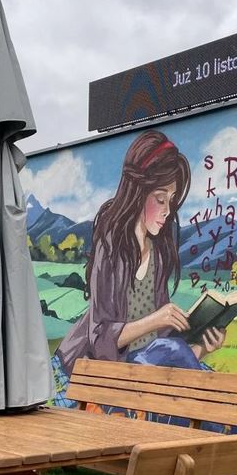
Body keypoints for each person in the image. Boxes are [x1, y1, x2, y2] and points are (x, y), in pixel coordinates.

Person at [52, 130, 225, 403]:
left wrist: (202, 347)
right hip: (83, 375)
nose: (168, 210)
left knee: (205, 386)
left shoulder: (157, 253)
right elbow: (100, 339)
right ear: (138, 192)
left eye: (172, 200)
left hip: (138, 373)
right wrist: (156, 319)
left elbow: (162, 352)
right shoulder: (111, 247)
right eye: (160, 199)